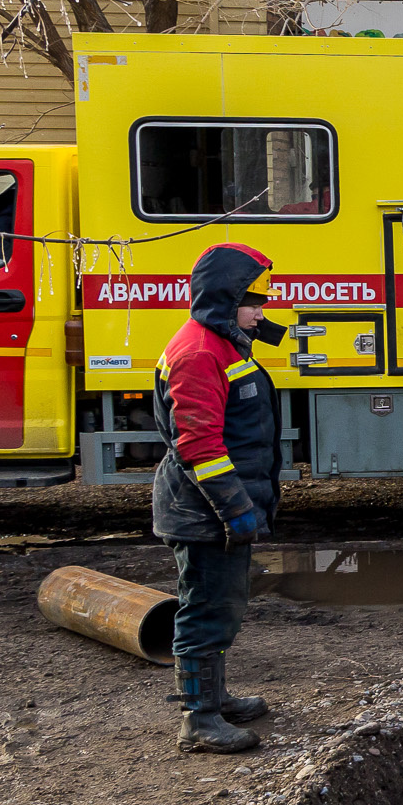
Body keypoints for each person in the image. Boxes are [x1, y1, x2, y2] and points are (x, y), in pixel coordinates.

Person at [152, 243, 286, 753]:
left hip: (211, 509)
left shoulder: (222, 341)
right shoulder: (200, 352)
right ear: (226, 300)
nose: (262, 310)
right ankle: (199, 719)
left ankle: (216, 695)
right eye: (254, 300)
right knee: (205, 608)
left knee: (222, 605)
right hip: (204, 511)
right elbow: (199, 445)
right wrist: (236, 509)